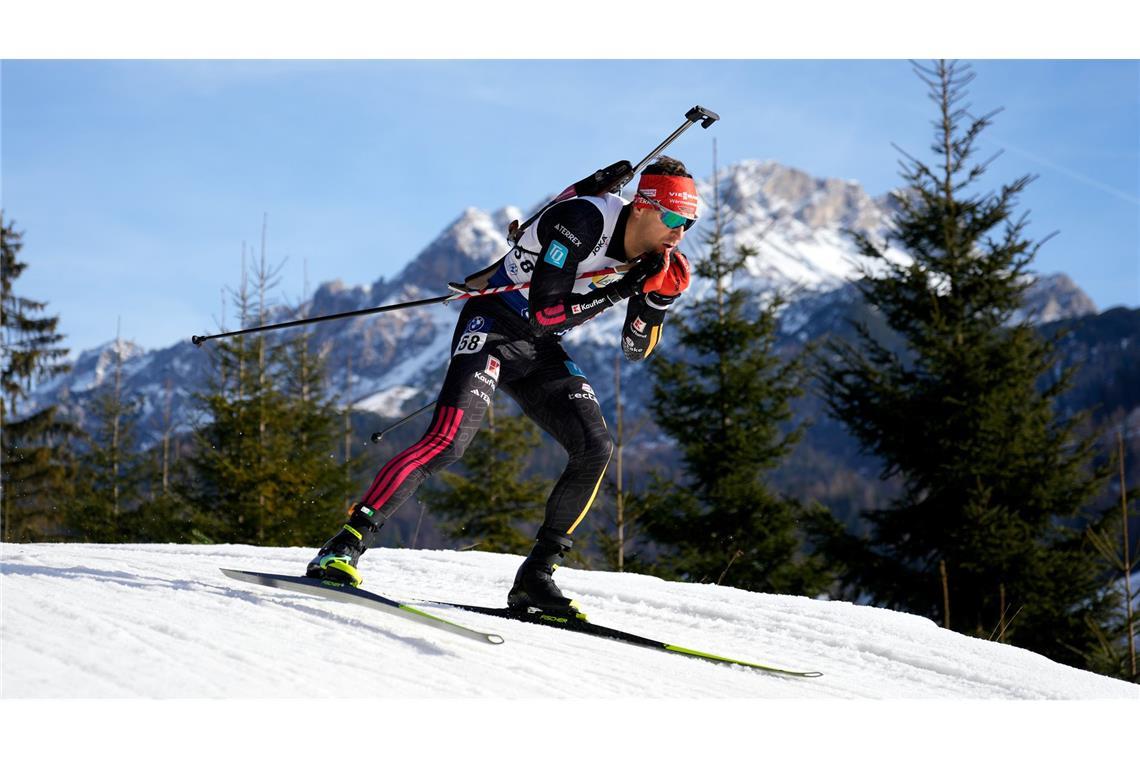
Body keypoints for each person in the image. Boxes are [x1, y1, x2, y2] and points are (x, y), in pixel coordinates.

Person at [306, 156, 697, 613]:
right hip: (493, 326)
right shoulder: (583, 219)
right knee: (448, 442)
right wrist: (616, 290)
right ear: (643, 206)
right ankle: (343, 546)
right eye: (672, 218)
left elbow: (634, 349)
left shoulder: (663, 259)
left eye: (689, 222)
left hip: (540, 347)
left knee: (596, 446)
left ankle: (535, 577)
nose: (679, 232)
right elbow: (546, 310)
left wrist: (658, 302)